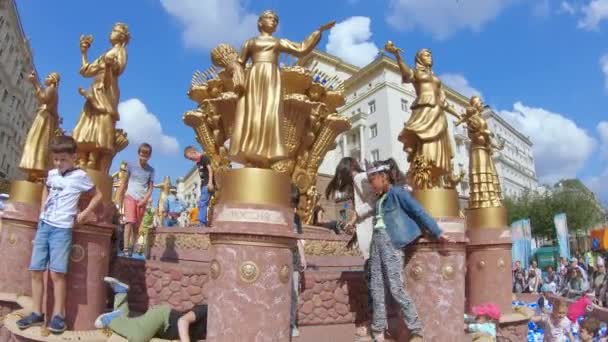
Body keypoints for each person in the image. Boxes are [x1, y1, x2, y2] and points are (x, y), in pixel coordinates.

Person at [16, 136, 103, 333]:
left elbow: (98, 195)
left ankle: (58, 316)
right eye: (56, 159)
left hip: (62, 229)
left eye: (63, 159)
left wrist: (84, 214)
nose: (59, 163)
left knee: (57, 273)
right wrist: (41, 210)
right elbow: (46, 188)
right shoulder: (52, 174)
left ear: (74, 157)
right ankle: (37, 313)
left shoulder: (80, 176)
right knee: (36, 270)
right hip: (44, 225)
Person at [228, 10, 334, 165]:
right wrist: (233, 67)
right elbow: (239, 62)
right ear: (260, 22)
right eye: (269, 18)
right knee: (254, 111)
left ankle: (267, 149)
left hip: (271, 76)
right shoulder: (250, 42)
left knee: (270, 112)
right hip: (254, 76)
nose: (273, 21)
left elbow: (301, 48)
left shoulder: (277, 42)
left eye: (275, 20)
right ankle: (251, 147)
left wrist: (318, 32)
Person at [366, 160, 451, 342]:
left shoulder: (398, 193)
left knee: (396, 288)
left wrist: (437, 232)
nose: (370, 185)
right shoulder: (379, 199)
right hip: (376, 245)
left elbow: (417, 210)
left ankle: (416, 330)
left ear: (383, 177)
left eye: (372, 180)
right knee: (377, 287)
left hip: (392, 243)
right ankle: (378, 329)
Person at [95, 277, 207, 342]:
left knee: (128, 325)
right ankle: (109, 320)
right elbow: (183, 321)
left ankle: (121, 292)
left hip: (161, 328)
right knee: (139, 337)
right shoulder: (207, 310)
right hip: (164, 318)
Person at [117, 143, 154, 257]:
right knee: (129, 222)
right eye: (142, 153)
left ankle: (132, 248)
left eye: (146, 154)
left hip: (141, 200)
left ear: (149, 156)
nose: (144, 155)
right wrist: (119, 199)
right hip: (130, 196)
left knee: (136, 226)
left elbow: (151, 188)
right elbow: (124, 182)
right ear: (139, 153)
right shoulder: (131, 166)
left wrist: (145, 199)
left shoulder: (151, 170)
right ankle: (126, 248)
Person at [289, 184, 307, 337]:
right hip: (280, 261)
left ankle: (292, 323)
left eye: (295, 204)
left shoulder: (296, 218)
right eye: (291, 203)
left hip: (294, 260)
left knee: (294, 292)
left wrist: (303, 257)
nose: (294, 208)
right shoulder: (278, 214)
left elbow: (299, 238)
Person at [184, 146, 214, 227]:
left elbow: (210, 169)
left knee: (203, 202)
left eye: (191, 158)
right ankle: (202, 221)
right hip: (203, 184)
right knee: (202, 203)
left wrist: (210, 182)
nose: (191, 160)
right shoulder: (198, 162)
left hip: (207, 184)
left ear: (193, 152)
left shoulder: (204, 157)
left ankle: (202, 222)